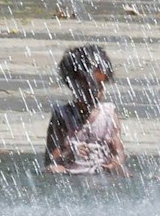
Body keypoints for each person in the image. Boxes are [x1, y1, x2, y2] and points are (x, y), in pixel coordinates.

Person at [46, 44, 127, 176]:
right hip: (71, 173)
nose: (95, 93)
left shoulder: (108, 114)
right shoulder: (62, 115)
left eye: (100, 87)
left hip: (101, 173)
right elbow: (51, 157)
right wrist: (70, 152)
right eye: (89, 87)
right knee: (52, 170)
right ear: (71, 84)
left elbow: (119, 153)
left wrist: (113, 164)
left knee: (123, 172)